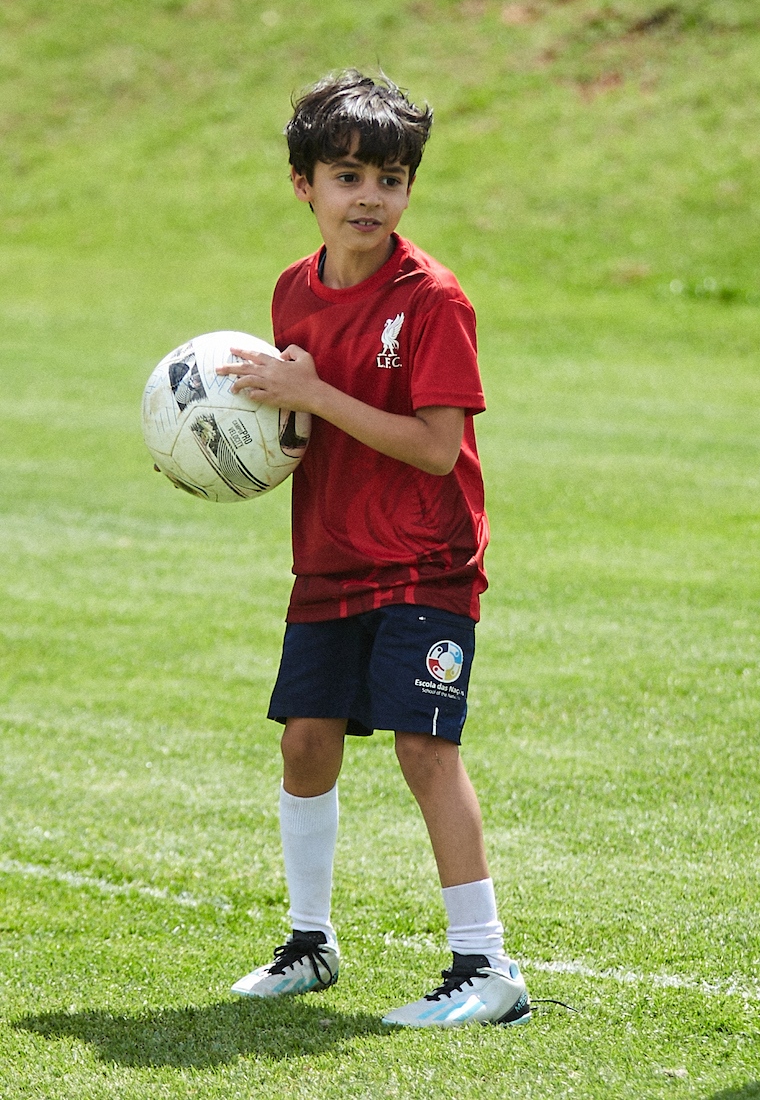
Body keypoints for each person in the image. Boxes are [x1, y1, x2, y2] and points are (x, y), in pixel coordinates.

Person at [219, 70, 530, 1028]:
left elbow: (437, 449)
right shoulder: (291, 293)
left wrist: (312, 398)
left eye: (390, 179)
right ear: (302, 184)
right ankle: (310, 944)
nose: (370, 198)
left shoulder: (433, 299)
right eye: (347, 176)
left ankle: (486, 970)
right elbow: (305, 427)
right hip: (330, 557)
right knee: (306, 743)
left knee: (423, 746)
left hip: (426, 558)